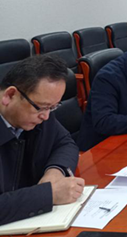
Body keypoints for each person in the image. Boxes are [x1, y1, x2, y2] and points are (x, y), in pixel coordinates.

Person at [0, 55, 84, 225]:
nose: (46, 116)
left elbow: (65, 143)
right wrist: (49, 194)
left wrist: (54, 172)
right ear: (10, 95)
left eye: (52, 108)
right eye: (42, 108)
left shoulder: (37, 112)